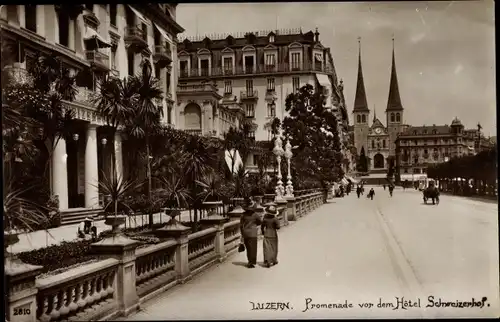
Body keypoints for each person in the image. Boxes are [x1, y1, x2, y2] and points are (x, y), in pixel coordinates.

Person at [240, 198, 262, 268]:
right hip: (253, 233)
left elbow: (241, 225)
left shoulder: (243, 215)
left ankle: (249, 261)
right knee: (253, 248)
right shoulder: (255, 215)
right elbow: (260, 221)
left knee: (248, 248)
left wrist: (242, 233)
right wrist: (255, 224)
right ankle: (252, 262)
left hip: (245, 233)